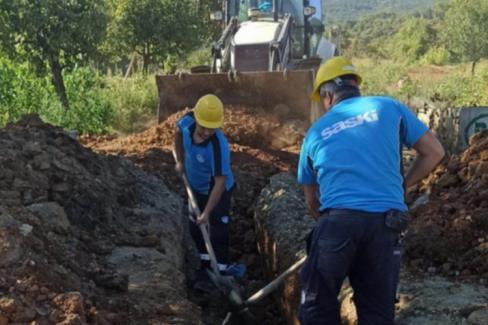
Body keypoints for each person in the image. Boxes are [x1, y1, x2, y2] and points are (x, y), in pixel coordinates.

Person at [297, 56, 445, 324]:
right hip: (386, 225)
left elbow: (311, 201)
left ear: (328, 95)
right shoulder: (388, 107)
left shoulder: (315, 133)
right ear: (355, 86)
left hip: (338, 223)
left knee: (317, 307)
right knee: (377, 312)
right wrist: (402, 185)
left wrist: (333, 229)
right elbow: (434, 152)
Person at [174, 94, 235, 292]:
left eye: (212, 128)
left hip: (217, 190)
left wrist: (207, 212)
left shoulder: (218, 145)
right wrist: (180, 161)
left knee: (217, 227)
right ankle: (204, 267)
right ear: (196, 119)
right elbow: (176, 133)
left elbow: (219, 183)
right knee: (196, 226)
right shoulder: (186, 123)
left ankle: (221, 270)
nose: (208, 132)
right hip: (195, 186)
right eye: (204, 127)